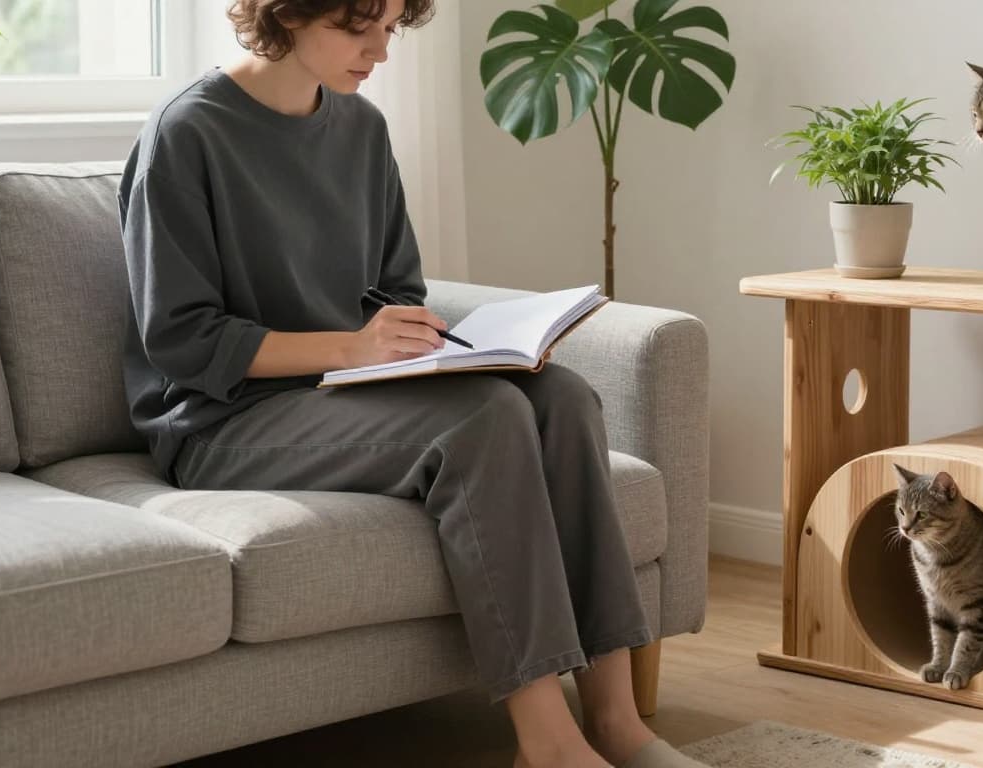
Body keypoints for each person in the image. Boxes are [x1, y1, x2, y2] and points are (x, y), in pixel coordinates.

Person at [118, 1, 711, 766]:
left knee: (561, 397)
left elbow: (394, 288)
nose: (380, 52)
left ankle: (617, 721)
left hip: (340, 391)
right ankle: (548, 744)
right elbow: (179, 338)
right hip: (222, 421)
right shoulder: (187, 133)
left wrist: (433, 346)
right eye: (356, 28)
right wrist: (357, 348)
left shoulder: (361, 129)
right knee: (483, 422)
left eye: (391, 28)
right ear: (288, 14)